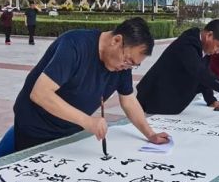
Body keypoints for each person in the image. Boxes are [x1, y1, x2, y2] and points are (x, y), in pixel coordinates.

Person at [12, 17, 171, 152]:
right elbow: (40, 93)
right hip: (35, 129)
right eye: (128, 60)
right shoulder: (75, 45)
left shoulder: (122, 67)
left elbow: (128, 100)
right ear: (116, 40)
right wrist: (87, 121)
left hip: (71, 131)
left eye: (133, 65)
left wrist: (150, 134)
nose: (126, 67)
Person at [136, 19, 219, 115]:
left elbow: (204, 74)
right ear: (209, 35)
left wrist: (211, 100)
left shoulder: (204, 47)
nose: (217, 51)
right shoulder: (187, 44)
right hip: (152, 101)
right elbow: (200, 72)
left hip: (169, 102)